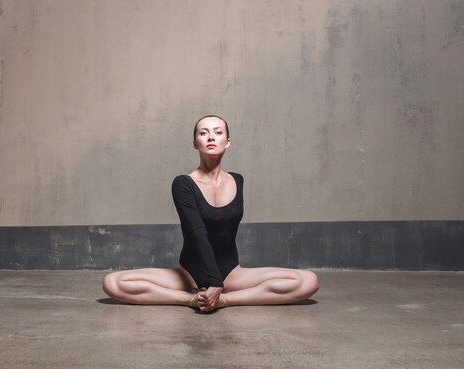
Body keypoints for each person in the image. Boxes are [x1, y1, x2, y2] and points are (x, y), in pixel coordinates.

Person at [103, 115, 319, 312]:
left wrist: (221, 290)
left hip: (232, 274)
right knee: (112, 283)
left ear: (228, 141)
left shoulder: (237, 180)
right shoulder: (183, 184)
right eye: (203, 132)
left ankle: (227, 299)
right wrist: (213, 283)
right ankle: (189, 299)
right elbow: (197, 232)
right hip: (187, 275)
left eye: (218, 132)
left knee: (309, 281)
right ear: (195, 142)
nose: (210, 137)